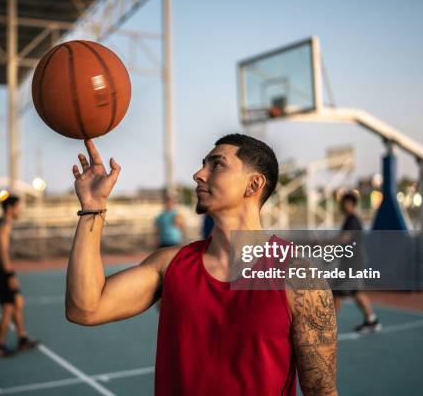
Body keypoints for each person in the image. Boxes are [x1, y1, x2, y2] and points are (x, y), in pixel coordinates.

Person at [66, 134, 337, 395]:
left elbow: (321, 391)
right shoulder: (170, 264)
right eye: (203, 164)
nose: (198, 174)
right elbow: (85, 309)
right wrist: (93, 206)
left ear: (253, 185)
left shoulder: (300, 279)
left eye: (216, 164)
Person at [0, 194, 38, 358]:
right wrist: (10, 275)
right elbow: (2, 252)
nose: (20, 210)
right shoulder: (4, 225)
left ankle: (22, 338)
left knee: (17, 303)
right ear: (10, 208)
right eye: (18, 206)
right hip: (1, 272)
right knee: (9, 307)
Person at [332, 191, 381, 333]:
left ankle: (327, 328)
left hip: (351, 264)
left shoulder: (352, 220)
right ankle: (372, 320)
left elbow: (345, 239)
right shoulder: (350, 219)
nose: (341, 206)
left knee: (336, 294)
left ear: (350, 204)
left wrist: (325, 244)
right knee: (357, 292)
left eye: (343, 203)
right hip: (353, 263)